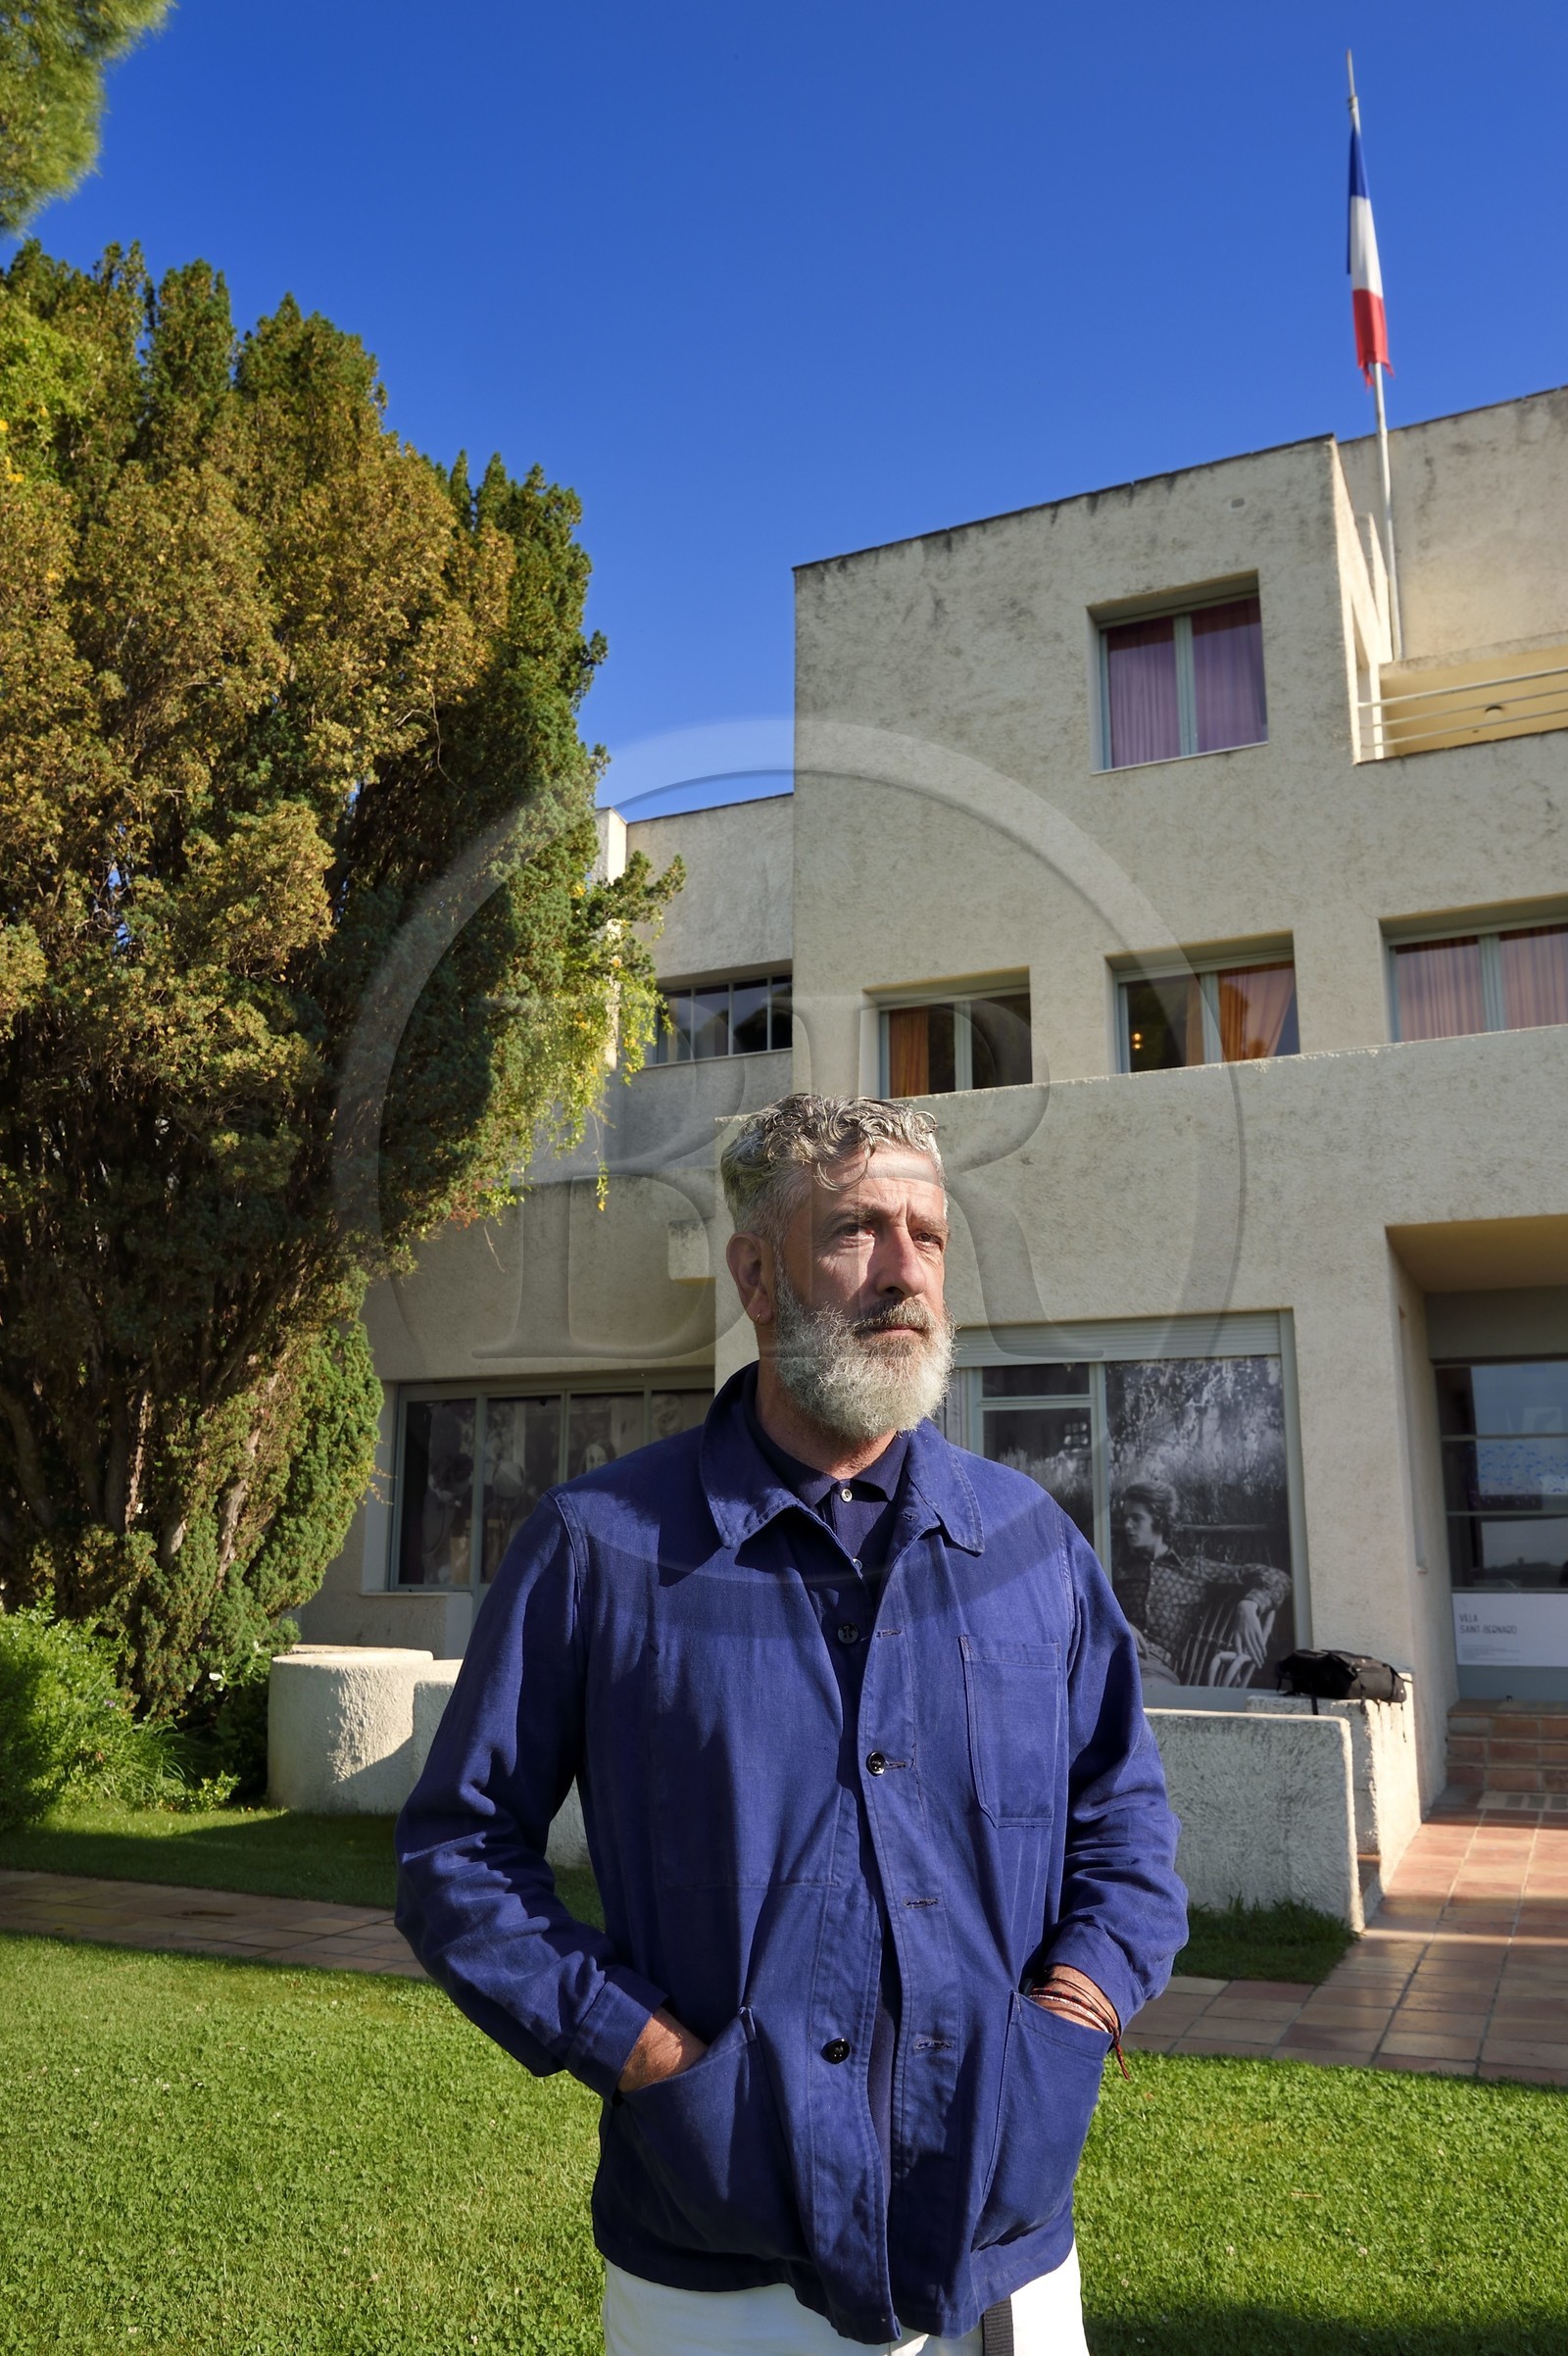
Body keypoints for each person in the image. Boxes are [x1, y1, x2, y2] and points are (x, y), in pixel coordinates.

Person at [395, 1094, 1187, 2354]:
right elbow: (457, 1853)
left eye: (927, 1235)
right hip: (720, 2271)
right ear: (756, 1274)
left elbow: (1126, 1822)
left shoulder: (1032, 1546)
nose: (905, 1271)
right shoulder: (599, 1548)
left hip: (1011, 2256)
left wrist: (1072, 2016)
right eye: (856, 1231)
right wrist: (648, 2054)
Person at [1114, 1480, 1291, 1689]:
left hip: (1153, 1673)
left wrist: (1250, 1604)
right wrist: (1117, 1623)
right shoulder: (1117, 1569)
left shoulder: (1194, 1570)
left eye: (1136, 1519)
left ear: (1159, 1521)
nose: (1127, 1526)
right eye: (1126, 1519)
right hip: (1109, 1660)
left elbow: (1277, 1577)